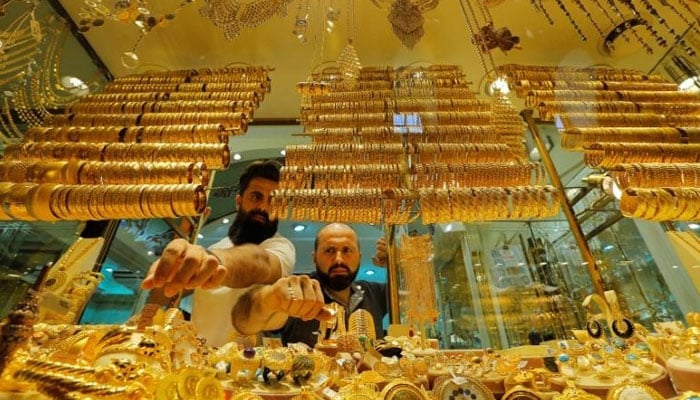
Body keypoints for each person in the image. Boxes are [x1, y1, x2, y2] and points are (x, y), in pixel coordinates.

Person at [141, 160, 296, 346]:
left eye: (273, 201)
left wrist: (213, 261)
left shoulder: (281, 247)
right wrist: (168, 273)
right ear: (238, 202)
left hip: (245, 370)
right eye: (256, 196)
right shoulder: (217, 247)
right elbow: (165, 294)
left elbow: (260, 262)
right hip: (196, 365)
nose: (263, 207)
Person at [232, 223, 387, 347]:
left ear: (359, 257)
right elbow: (244, 323)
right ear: (314, 258)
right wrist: (269, 299)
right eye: (329, 250)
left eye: (347, 250)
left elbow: (409, 303)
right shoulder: (298, 291)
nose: (339, 259)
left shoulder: (375, 293)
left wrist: (396, 264)